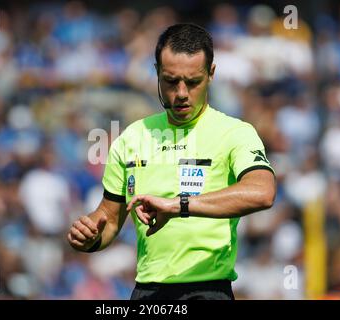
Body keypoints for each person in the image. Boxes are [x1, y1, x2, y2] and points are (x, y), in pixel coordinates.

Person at [67, 23, 276, 300]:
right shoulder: (132, 137)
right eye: (170, 81)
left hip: (208, 289)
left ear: (211, 74)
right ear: (156, 73)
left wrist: (178, 205)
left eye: (192, 82)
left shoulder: (235, 133)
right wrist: (90, 234)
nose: (180, 93)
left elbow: (262, 192)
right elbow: (109, 219)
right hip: (147, 292)